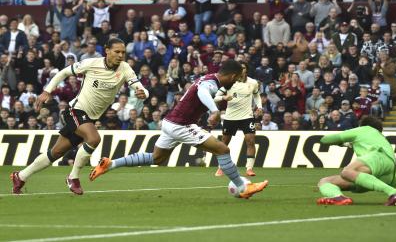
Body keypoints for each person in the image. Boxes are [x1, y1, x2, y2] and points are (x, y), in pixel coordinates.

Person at [89, 60, 268, 199]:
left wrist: (216, 104)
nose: (237, 81)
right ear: (231, 75)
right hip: (181, 125)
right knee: (223, 149)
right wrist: (214, 111)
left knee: (157, 158)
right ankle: (243, 187)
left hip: (170, 122)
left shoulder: (209, 79)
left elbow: (201, 93)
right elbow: (202, 93)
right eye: (237, 78)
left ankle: (110, 164)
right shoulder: (211, 83)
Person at [11, 38, 149, 195]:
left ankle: (20, 176)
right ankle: (73, 177)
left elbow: (141, 88)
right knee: (94, 139)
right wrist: (47, 91)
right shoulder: (91, 63)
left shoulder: (125, 68)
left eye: (123, 52)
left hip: (90, 117)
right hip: (76, 110)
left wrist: (143, 93)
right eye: (117, 51)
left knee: (56, 152)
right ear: (107, 50)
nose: (120, 55)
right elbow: (63, 73)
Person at [317, 116, 396, 206]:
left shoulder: (365, 129)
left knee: (347, 172)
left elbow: (325, 140)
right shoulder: (380, 138)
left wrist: (342, 142)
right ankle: (338, 198)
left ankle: (395, 193)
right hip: (388, 176)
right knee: (325, 181)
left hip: (378, 157)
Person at [213, 62, 262, 177]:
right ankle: (221, 168)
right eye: (240, 68)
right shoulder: (229, 82)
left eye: (243, 68)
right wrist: (224, 97)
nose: (241, 70)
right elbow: (215, 97)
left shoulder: (253, 83)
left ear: (246, 70)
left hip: (247, 116)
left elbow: (256, 95)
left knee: (250, 141)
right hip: (230, 117)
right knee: (224, 143)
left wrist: (259, 106)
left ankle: (249, 168)